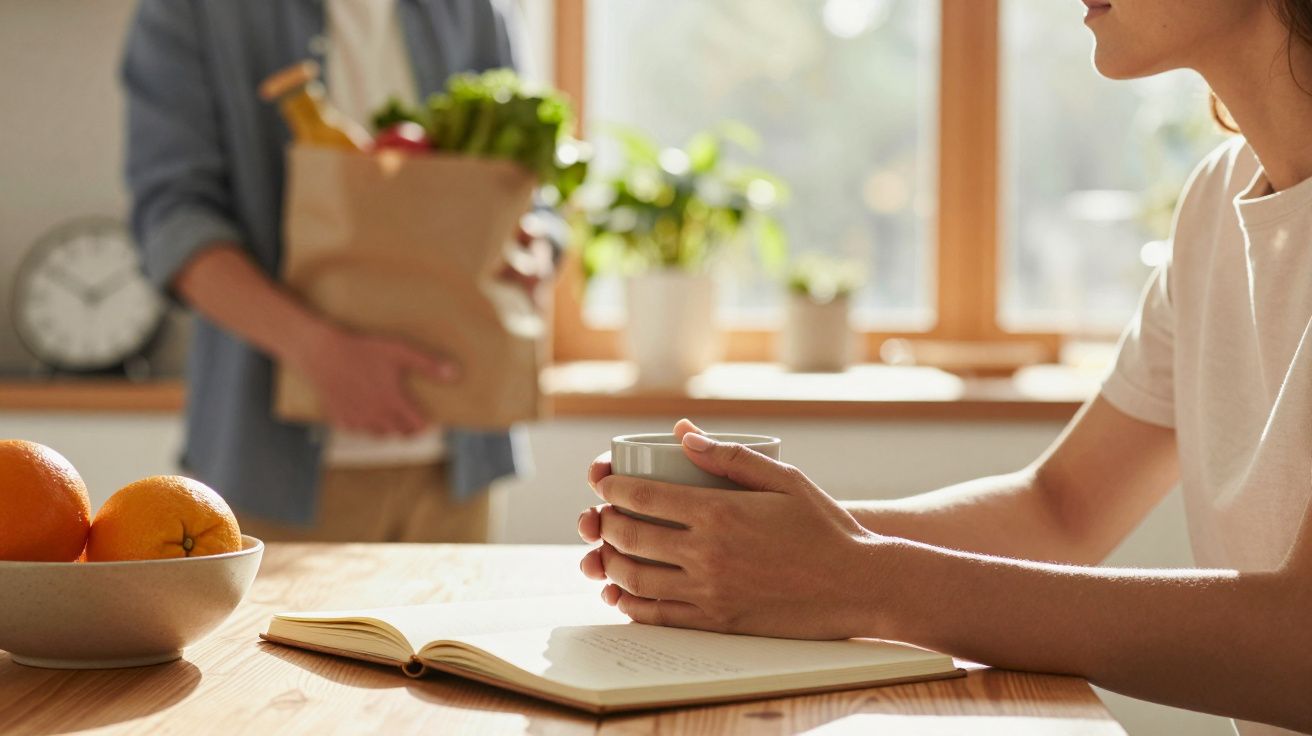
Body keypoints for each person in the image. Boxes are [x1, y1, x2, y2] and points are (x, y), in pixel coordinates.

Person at [577, 1, 1312, 733]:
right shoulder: (1216, 202)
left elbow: (1299, 642)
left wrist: (854, 577)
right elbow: (1059, 511)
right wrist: (740, 545)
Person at [123, 0, 558, 542]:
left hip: (460, 464)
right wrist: (316, 349)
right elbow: (173, 221)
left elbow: (532, 194)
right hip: (269, 474)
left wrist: (534, 249)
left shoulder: (476, 9)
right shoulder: (191, 11)